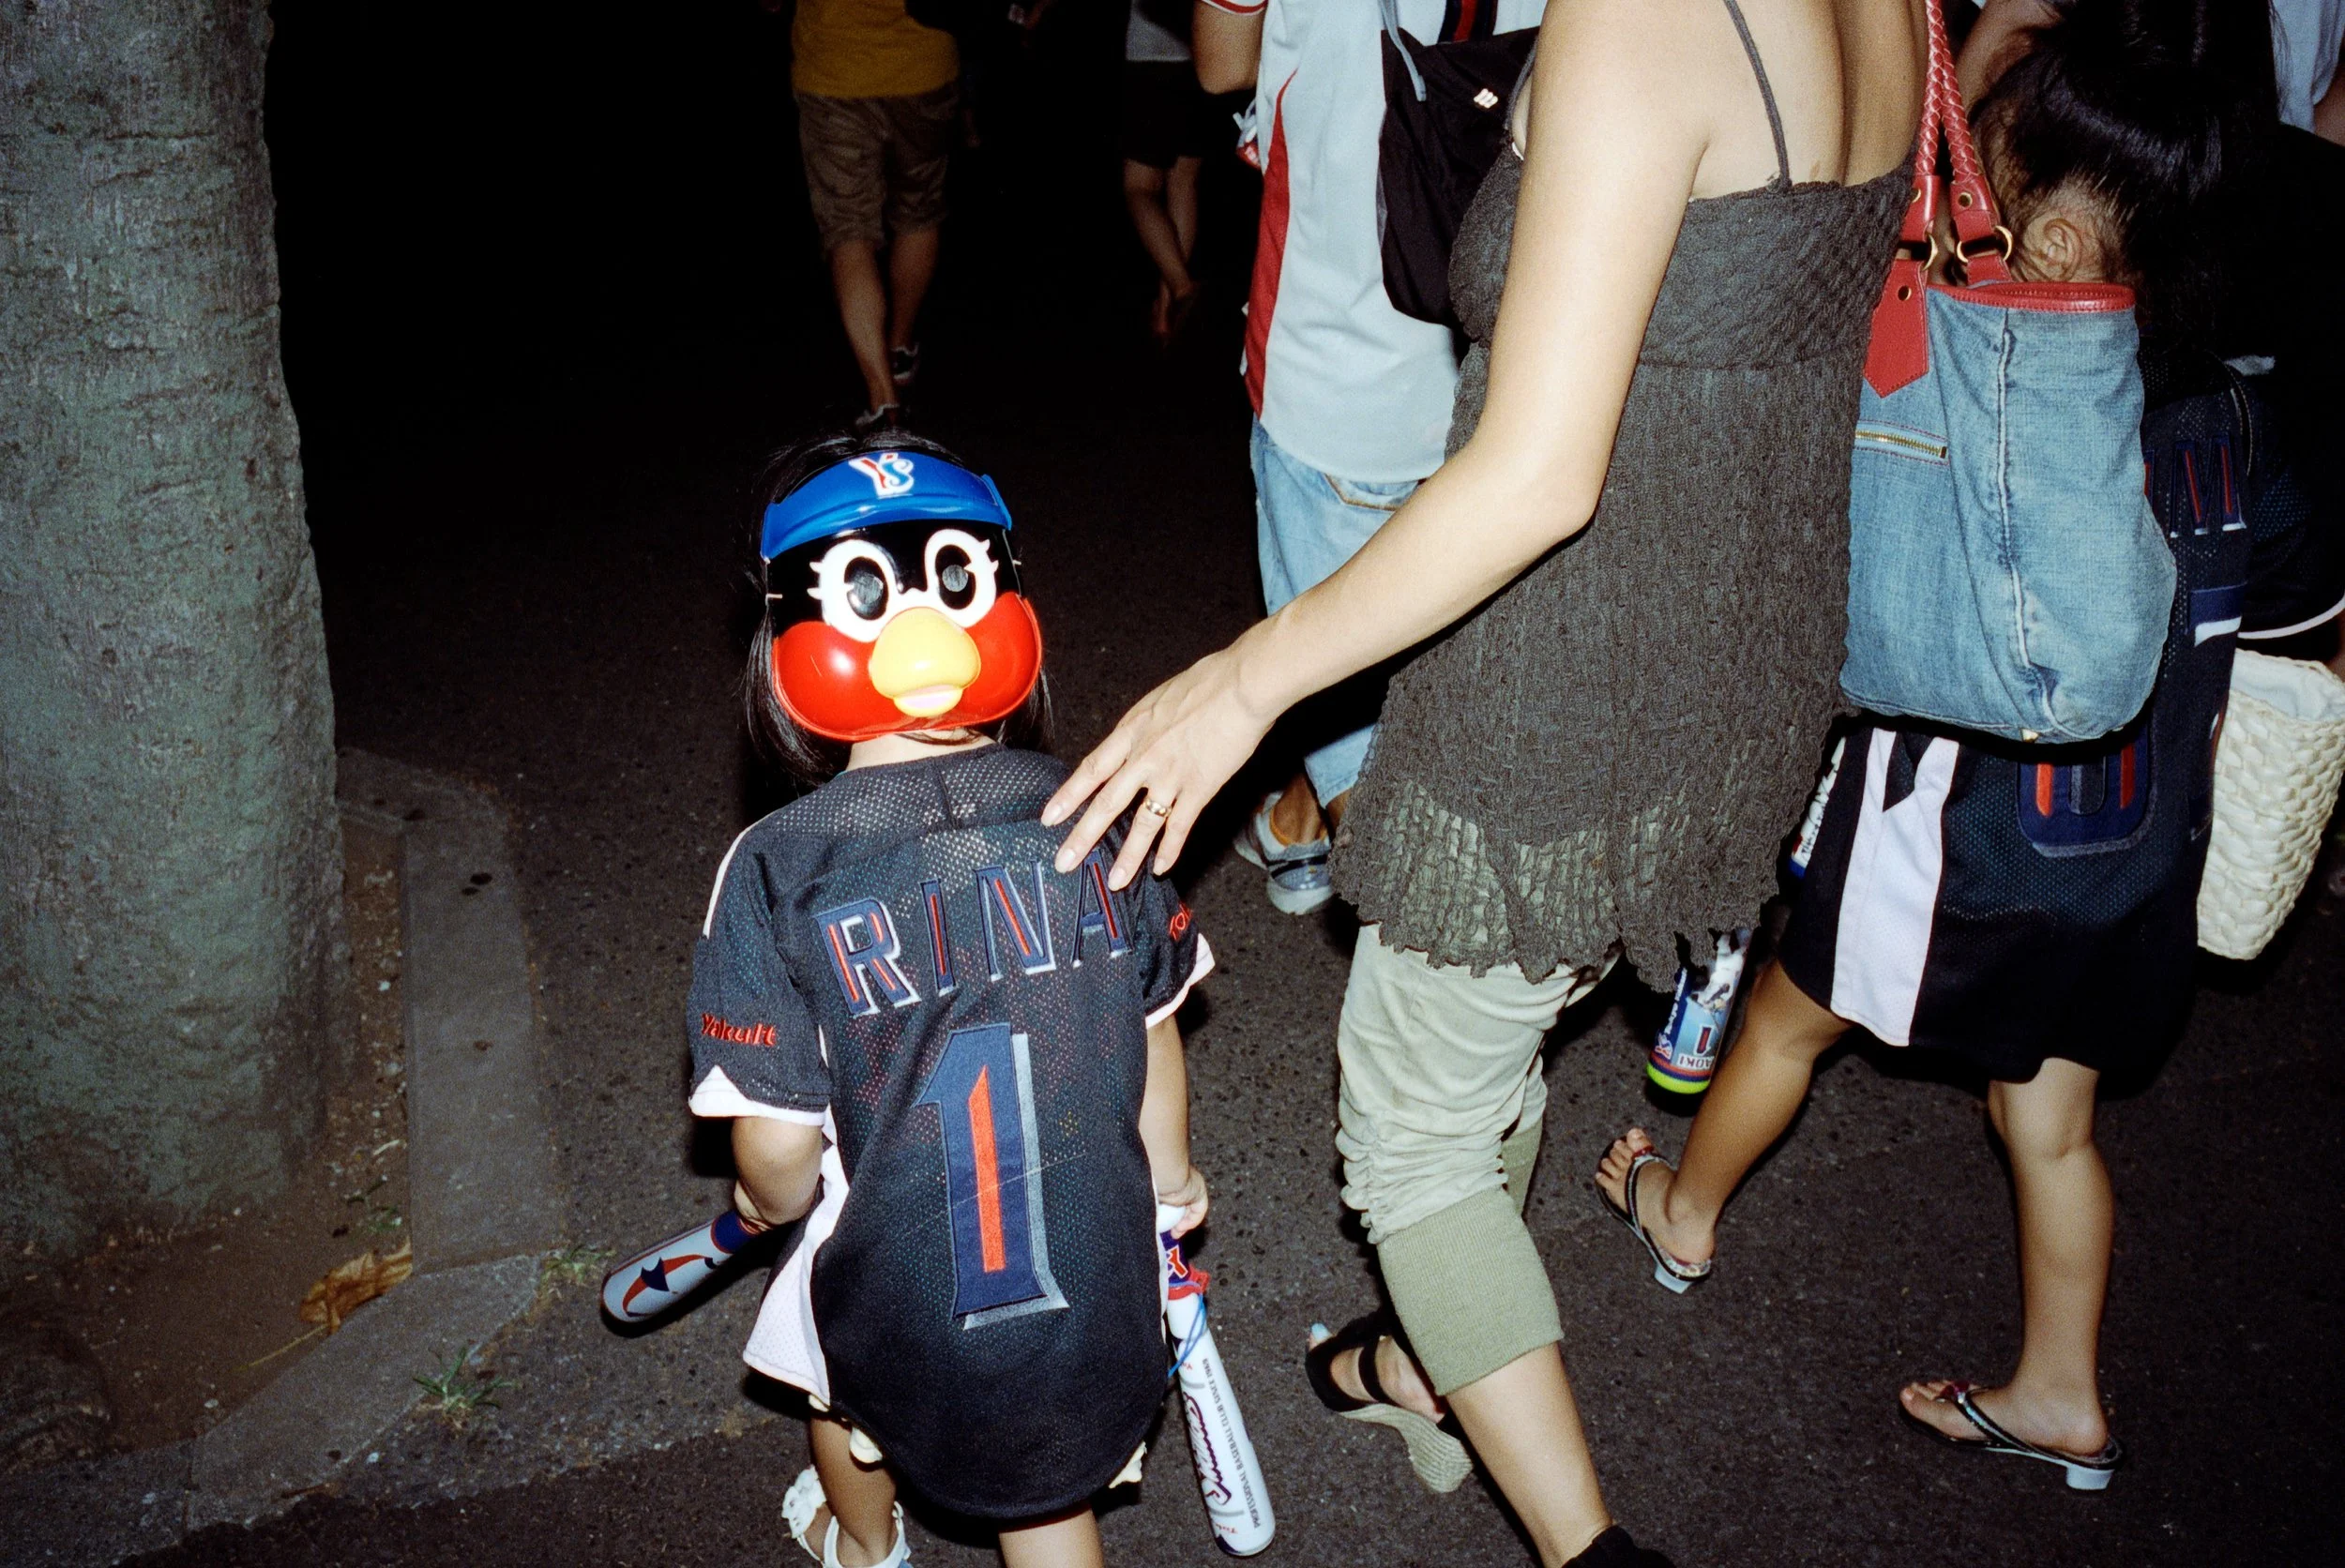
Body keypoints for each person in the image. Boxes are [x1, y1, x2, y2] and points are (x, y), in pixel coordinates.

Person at [1045, 0, 1925, 1560]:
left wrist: (1239, 686)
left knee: (1411, 1135)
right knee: (1496, 1045)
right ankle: (1419, 1365)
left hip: (1565, 692)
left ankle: (1589, 1546)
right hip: (1750, 651)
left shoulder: (1648, 20)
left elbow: (1538, 472)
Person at [1593, 0, 2344, 1493]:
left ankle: (1682, 1211)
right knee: (2050, 1122)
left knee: (1793, 1023)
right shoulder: (2228, 423)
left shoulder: (1996, 394)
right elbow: (2301, 617)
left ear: (2046, 228)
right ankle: (2063, 1390)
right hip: (2136, 860)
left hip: (1961, 842)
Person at [689, 431, 1214, 1568]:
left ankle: (862, 1539)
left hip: (905, 1281)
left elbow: (778, 1146)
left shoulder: (779, 866)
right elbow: (1153, 1041)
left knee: (832, 1386)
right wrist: (1170, 1188)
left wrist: (763, 1199)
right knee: (1046, 1499)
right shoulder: (1099, 810)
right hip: (1089, 1277)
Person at [1196, 0, 1545, 917]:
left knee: (1345, 669)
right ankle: (1298, 819)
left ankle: (1445, 1011)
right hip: (1516, 379)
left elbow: (1220, 66)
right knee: (1428, 645)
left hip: (1335, 374)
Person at [789, 1, 962, 431]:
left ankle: (883, 397)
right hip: (923, 63)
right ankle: (899, 347)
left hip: (835, 68)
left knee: (849, 229)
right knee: (918, 213)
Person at [1121, 3, 1220, 344]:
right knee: (1183, 182)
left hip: (1150, 63)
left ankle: (1181, 288)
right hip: (1199, 60)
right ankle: (1166, 310)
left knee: (1139, 186)